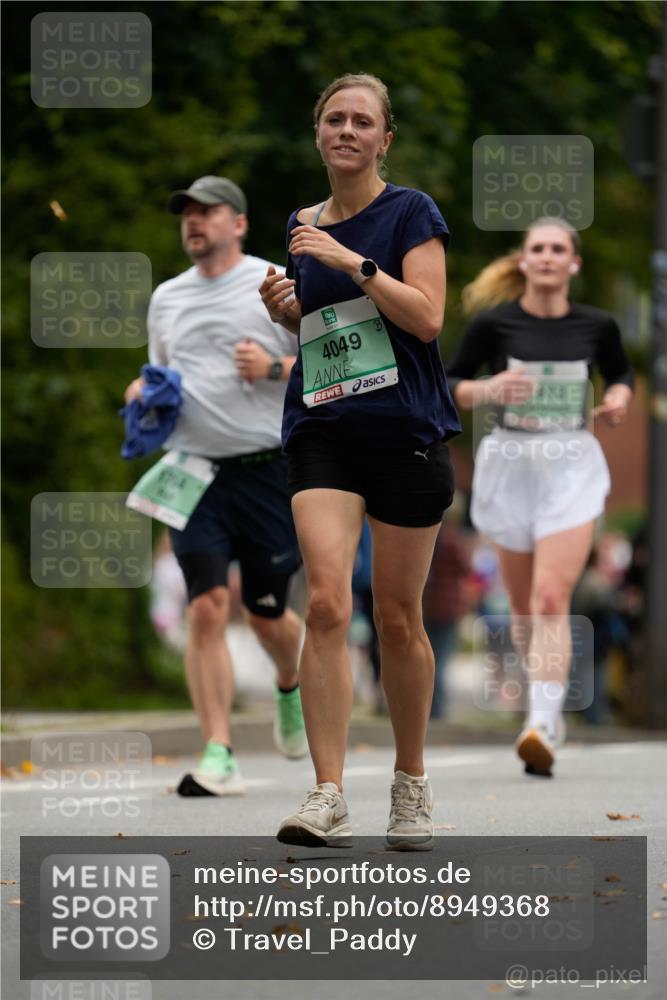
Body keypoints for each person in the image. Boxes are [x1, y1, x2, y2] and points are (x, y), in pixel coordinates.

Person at [259, 73, 460, 849]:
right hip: (325, 428)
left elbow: (427, 318)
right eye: (334, 119)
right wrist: (289, 313)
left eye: (361, 121)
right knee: (326, 604)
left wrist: (350, 262)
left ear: (384, 139)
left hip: (404, 429)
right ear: (318, 134)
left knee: (399, 617)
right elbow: (329, 332)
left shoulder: (410, 213)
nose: (346, 130)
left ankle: (409, 785)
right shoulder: (299, 225)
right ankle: (327, 793)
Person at [124, 175, 307, 797]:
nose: (195, 222)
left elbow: (334, 358)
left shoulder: (273, 281)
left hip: (268, 470)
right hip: (194, 470)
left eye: (209, 212)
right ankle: (218, 752)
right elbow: (162, 375)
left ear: (240, 223)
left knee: (266, 615)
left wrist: (274, 365)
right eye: (188, 214)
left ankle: (291, 683)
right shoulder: (168, 298)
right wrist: (142, 391)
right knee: (205, 606)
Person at [446, 217, 634, 776]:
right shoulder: (493, 324)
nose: (548, 256)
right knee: (526, 605)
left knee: (553, 598)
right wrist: (488, 389)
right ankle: (543, 704)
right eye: (538, 248)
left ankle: (542, 720)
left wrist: (619, 398)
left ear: (573, 263)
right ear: (523, 261)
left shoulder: (597, 325)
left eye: (559, 249)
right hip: (509, 463)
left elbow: (620, 373)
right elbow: (451, 383)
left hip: (570, 463)